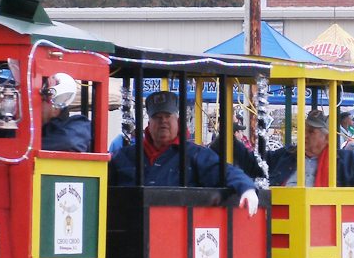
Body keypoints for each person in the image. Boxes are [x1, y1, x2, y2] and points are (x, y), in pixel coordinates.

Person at [110, 91, 259, 216]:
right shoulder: (124, 157)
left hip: (177, 231)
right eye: (157, 117)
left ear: (177, 121)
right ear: (149, 124)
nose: (163, 121)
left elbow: (224, 171)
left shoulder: (195, 154)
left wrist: (247, 188)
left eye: (168, 116)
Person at [266, 109, 354, 202]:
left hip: (321, 218)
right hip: (279, 215)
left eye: (311, 132)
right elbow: (259, 161)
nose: (304, 135)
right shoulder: (286, 154)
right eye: (304, 130)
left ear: (327, 138)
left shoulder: (344, 160)